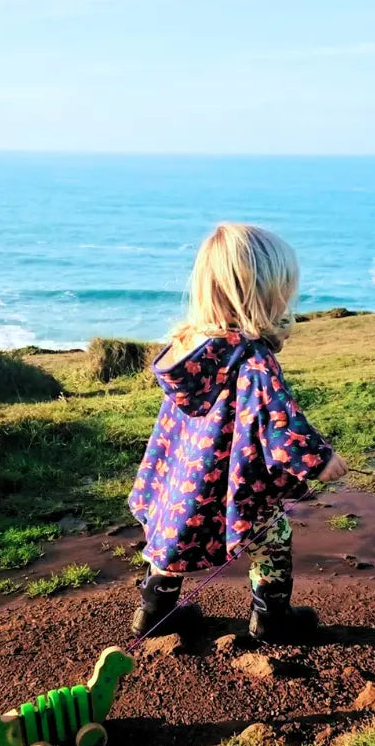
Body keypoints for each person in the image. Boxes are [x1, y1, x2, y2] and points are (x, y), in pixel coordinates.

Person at [127, 222, 348, 642]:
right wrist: (320, 461)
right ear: (263, 293)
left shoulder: (190, 346)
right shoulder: (252, 359)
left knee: (169, 542)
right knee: (272, 538)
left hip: (180, 479)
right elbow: (280, 423)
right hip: (234, 481)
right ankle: (272, 619)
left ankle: (153, 614)